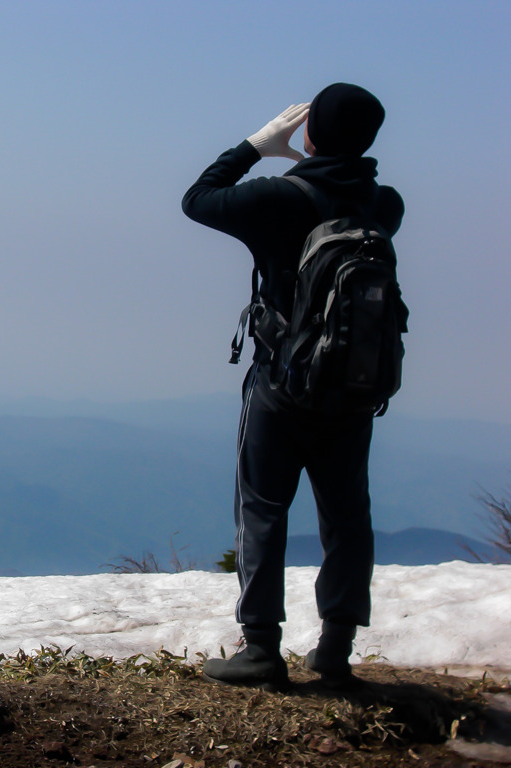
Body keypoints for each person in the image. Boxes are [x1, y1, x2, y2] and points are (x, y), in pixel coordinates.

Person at [181, 83, 404, 690]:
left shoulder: (279, 199)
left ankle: (261, 649)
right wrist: (322, 156)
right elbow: (344, 189)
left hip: (281, 384)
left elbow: (198, 199)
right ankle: (335, 650)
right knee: (346, 514)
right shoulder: (384, 205)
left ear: (308, 132)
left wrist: (259, 145)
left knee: (262, 509)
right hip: (352, 390)